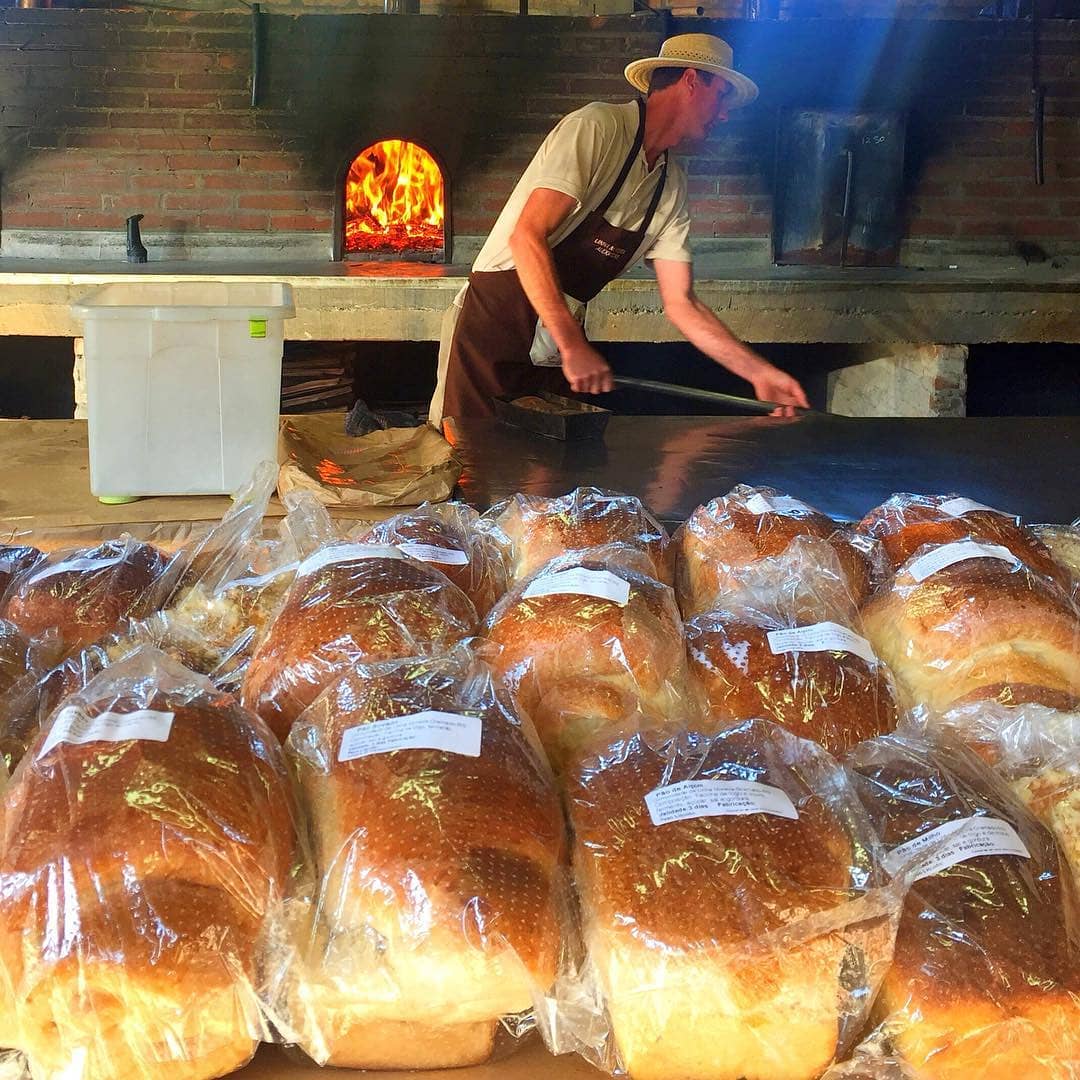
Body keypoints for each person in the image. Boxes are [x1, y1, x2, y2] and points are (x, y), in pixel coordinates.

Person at [429, 33, 809, 428]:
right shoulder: (598, 128)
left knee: (539, 474)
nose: (726, 113)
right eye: (723, 96)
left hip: (551, 348)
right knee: (467, 462)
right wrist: (572, 342)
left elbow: (683, 304)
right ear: (692, 80)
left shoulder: (670, 187)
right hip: (490, 329)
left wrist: (757, 372)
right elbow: (526, 237)